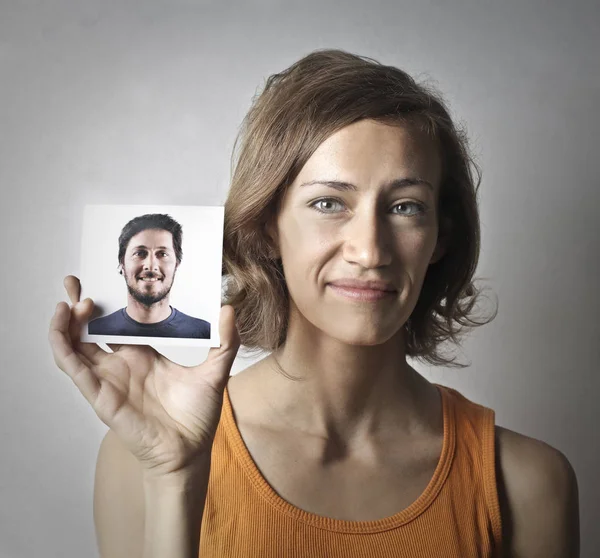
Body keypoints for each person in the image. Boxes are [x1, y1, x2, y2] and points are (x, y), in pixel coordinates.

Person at [49, 49, 579, 558]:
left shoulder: (525, 484)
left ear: (440, 235)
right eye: (329, 203)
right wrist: (173, 478)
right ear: (266, 228)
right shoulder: (140, 457)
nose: (370, 251)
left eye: (405, 207)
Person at [88, 213, 211, 339]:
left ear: (176, 264)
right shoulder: (93, 331)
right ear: (122, 263)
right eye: (140, 253)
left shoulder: (204, 332)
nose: (151, 265)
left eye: (162, 254)